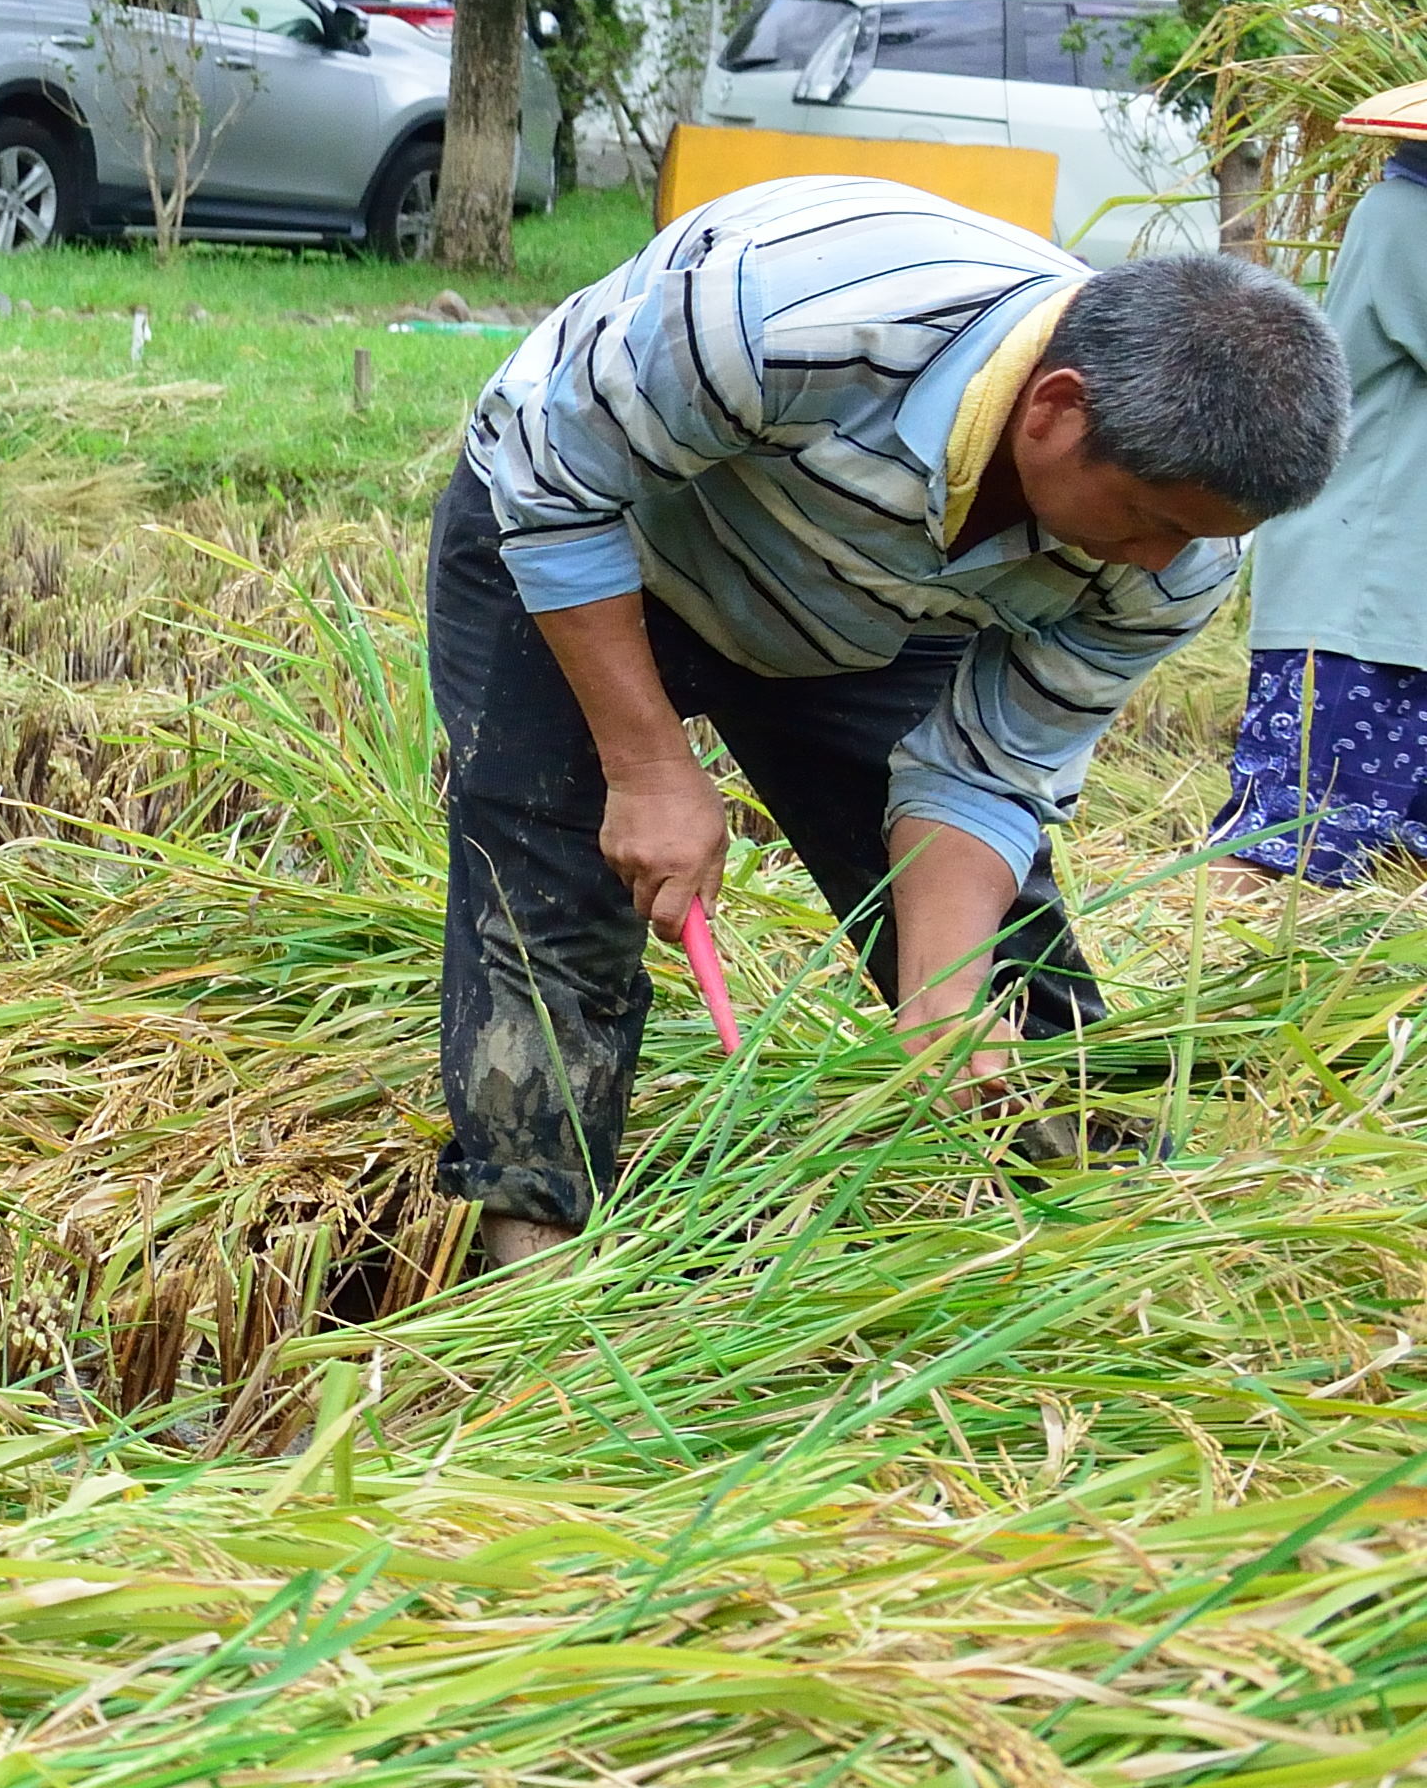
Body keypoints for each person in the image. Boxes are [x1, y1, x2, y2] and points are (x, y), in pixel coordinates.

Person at [442, 183, 1339, 1265]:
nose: (1159, 564)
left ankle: (1090, 1241)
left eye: (1193, 538)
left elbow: (990, 770)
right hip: (590, 544)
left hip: (873, 610)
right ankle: (538, 1274)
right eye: (1149, 520)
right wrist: (643, 764)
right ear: (1053, 410)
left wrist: (943, 994)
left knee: (996, 968)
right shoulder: (785, 318)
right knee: (548, 883)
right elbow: (556, 482)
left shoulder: (1181, 556)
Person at [1222, 80, 1427, 878]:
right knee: (1287, 849)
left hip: (1402, 604)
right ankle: (1209, 990)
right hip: (1364, 598)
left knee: (1393, 876)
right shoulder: (1407, 214)